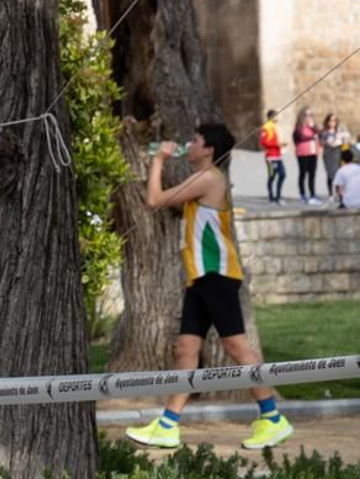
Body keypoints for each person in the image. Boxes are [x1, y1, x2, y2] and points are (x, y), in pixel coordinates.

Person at [127, 124, 293, 452]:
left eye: (196, 140)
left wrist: (158, 160)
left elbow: (154, 200)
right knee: (186, 349)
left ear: (209, 150)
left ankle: (272, 418)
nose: (189, 145)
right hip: (200, 278)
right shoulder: (201, 181)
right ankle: (168, 425)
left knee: (236, 346)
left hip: (218, 275)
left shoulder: (209, 178)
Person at [320, 113, 350, 203]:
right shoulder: (324, 132)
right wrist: (327, 142)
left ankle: (339, 193)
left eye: (334, 120)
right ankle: (330, 194)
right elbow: (321, 142)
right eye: (330, 120)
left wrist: (340, 139)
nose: (332, 122)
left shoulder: (339, 132)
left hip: (337, 153)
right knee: (329, 174)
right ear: (327, 121)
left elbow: (346, 139)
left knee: (338, 174)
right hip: (328, 153)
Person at [293, 107, 320, 205]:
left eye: (310, 115)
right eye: (306, 115)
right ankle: (302, 194)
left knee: (312, 174)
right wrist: (312, 136)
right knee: (303, 173)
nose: (308, 117)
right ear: (302, 116)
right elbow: (301, 137)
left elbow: (319, 133)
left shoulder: (313, 127)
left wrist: (312, 127)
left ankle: (312, 194)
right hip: (303, 153)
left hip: (313, 152)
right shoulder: (299, 128)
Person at [259, 110, 285, 206]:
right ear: (270, 117)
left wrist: (280, 145)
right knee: (271, 176)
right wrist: (277, 145)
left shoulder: (274, 127)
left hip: (277, 156)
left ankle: (278, 196)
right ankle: (271, 197)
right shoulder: (266, 128)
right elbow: (263, 142)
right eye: (275, 116)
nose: (276, 118)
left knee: (282, 174)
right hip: (270, 157)